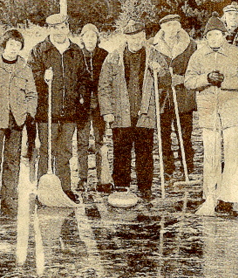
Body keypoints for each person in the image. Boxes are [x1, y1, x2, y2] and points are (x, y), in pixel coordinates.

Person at [185, 16, 238, 215]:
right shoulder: (198, 56)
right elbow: (189, 81)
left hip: (232, 111)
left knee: (233, 154)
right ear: (205, 38)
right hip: (209, 113)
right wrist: (206, 79)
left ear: (224, 35)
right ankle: (210, 195)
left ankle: (232, 196)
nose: (214, 38)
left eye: (217, 35)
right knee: (211, 155)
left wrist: (225, 81)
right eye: (210, 36)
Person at [99, 20, 170, 201]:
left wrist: (160, 71)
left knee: (145, 152)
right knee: (121, 151)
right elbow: (104, 86)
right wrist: (107, 110)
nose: (136, 41)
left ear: (144, 36)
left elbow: (167, 81)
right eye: (132, 37)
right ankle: (122, 186)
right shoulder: (113, 57)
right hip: (120, 114)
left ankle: (145, 187)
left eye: (139, 37)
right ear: (126, 38)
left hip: (145, 113)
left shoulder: (155, 56)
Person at [28, 13, 89, 202]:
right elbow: (29, 76)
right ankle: (43, 189)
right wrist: (41, 77)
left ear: (68, 28)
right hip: (47, 112)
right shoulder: (40, 50)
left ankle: (65, 188)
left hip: (69, 112)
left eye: (62, 27)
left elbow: (84, 77)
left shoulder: (76, 51)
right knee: (46, 150)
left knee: (64, 152)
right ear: (49, 29)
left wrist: (80, 97)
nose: (59, 31)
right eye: (55, 28)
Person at [0, 29, 37, 217]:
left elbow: (32, 94)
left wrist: (28, 112)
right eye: (11, 45)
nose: (13, 49)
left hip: (16, 122)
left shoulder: (24, 68)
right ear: (4, 45)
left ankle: (10, 199)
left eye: (17, 46)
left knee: (12, 161)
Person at [149, 14, 197, 183]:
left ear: (179, 26)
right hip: (161, 97)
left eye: (175, 25)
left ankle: (187, 167)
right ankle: (167, 168)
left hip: (183, 97)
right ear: (162, 27)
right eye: (168, 25)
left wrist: (183, 78)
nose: (171, 29)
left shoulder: (191, 44)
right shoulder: (152, 46)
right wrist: (154, 72)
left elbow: (197, 67)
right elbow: (147, 68)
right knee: (163, 135)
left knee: (185, 134)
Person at [76, 24, 109, 192]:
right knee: (82, 142)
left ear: (98, 38)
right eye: (87, 36)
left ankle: (101, 178)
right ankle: (82, 178)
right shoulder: (77, 55)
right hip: (82, 105)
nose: (90, 39)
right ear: (82, 38)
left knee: (100, 141)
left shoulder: (104, 55)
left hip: (99, 105)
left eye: (93, 36)